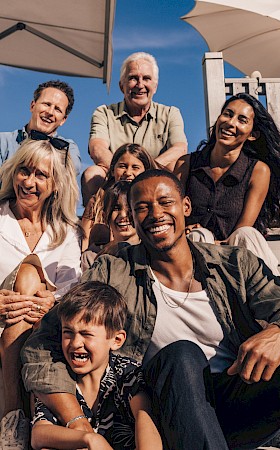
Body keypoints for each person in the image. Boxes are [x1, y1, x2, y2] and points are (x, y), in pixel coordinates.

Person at [21, 170, 280, 450]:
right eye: (142, 207)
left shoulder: (235, 264)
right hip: (169, 409)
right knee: (182, 354)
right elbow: (43, 341)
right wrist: (79, 425)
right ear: (134, 219)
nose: (156, 214)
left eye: (165, 202)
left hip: (240, 395)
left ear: (186, 206)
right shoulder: (114, 271)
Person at [0, 136, 82, 450]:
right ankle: (22, 416)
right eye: (24, 171)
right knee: (28, 272)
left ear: (55, 185)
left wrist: (53, 302)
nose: (29, 181)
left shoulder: (66, 231)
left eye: (40, 175)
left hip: (43, 326)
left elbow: (72, 291)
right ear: (13, 173)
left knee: (33, 281)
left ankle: (14, 420)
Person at [174, 93, 280, 275]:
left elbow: (240, 233)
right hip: (193, 253)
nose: (231, 123)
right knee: (199, 236)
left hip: (235, 255)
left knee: (248, 234)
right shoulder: (186, 164)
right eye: (228, 114)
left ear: (252, 135)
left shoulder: (258, 171)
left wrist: (217, 245)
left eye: (242, 120)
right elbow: (172, 211)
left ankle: (273, 295)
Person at [31, 281, 162, 450]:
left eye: (87, 334)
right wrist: (90, 439)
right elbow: (39, 433)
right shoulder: (59, 377)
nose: (76, 343)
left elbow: (145, 418)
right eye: (68, 332)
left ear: (116, 340)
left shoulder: (126, 373)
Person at [81, 52, 187, 206]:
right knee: (92, 174)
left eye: (146, 78)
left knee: (177, 167)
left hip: (155, 179)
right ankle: (94, 225)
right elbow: (97, 148)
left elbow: (180, 148)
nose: (140, 84)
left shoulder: (171, 113)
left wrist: (145, 171)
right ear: (121, 86)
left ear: (155, 86)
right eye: (133, 78)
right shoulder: (104, 113)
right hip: (114, 181)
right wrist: (123, 172)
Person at [81, 143, 157, 251]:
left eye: (135, 167)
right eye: (122, 166)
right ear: (112, 170)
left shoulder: (153, 202)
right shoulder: (97, 201)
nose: (128, 173)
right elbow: (84, 241)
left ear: (146, 171)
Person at [0, 80, 82, 175]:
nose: (50, 112)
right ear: (32, 106)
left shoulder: (68, 148)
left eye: (57, 109)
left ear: (63, 120)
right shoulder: (3, 141)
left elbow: (68, 174)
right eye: (47, 104)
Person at [81, 181, 139, 271]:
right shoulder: (92, 257)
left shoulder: (153, 253)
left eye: (129, 208)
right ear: (104, 217)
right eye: (116, 208)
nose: (123, 215)